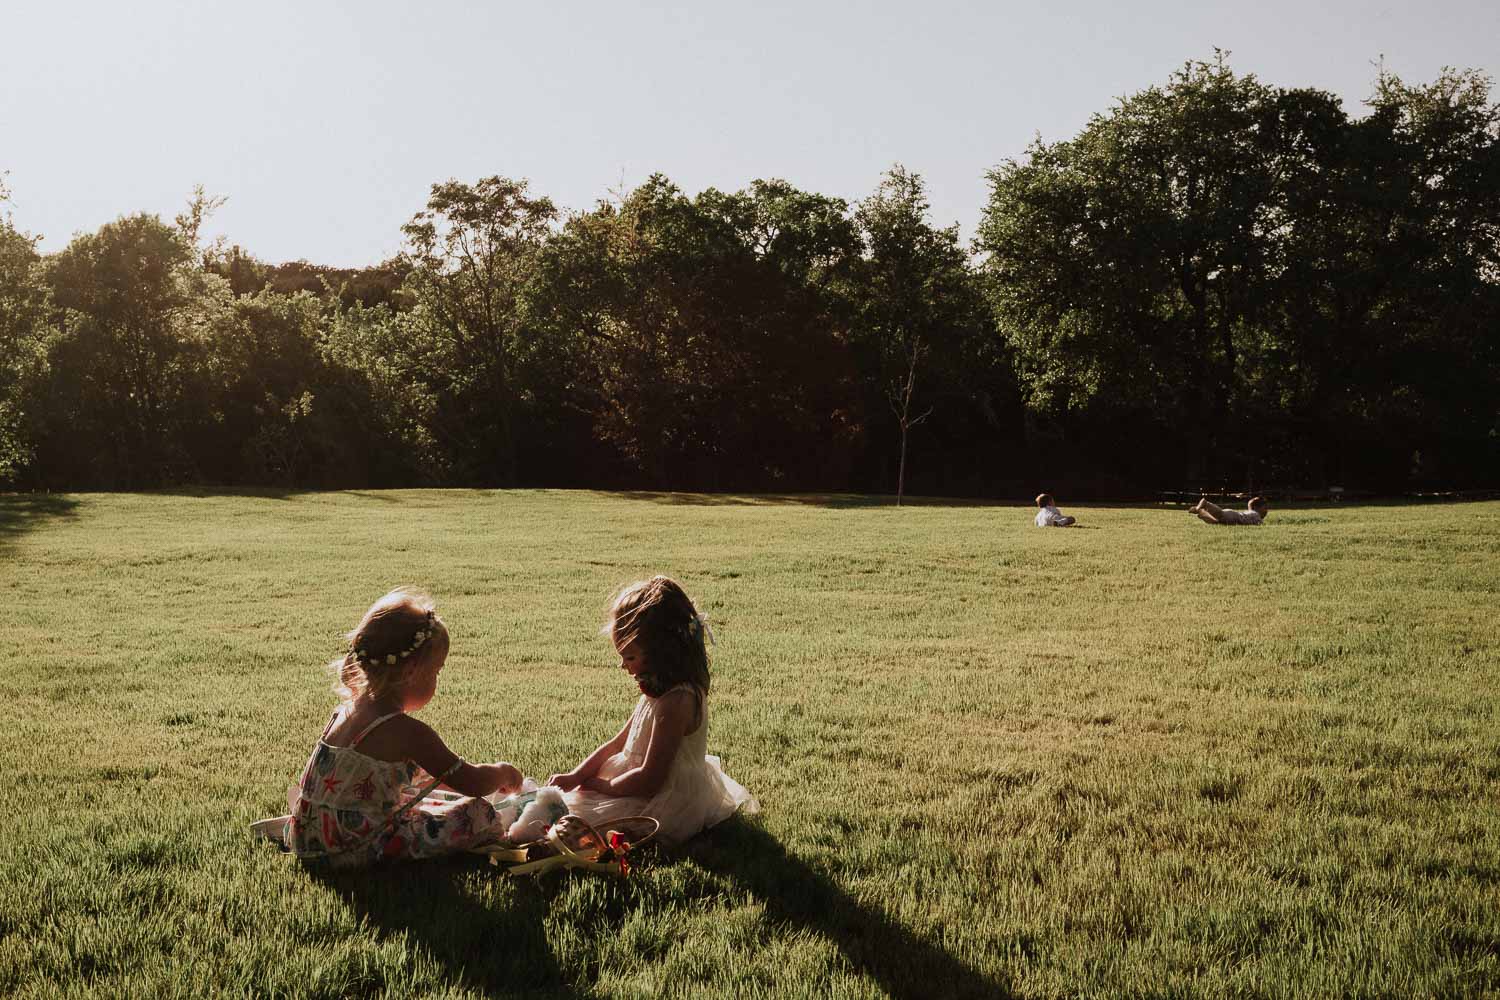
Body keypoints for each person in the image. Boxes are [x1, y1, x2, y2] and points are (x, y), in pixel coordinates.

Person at [253, 588, 522, 865]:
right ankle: (507, 831)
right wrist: (503, 773)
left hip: (310, 838)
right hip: (360, 847)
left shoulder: (345, 712)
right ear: (411, 671)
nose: (437, 681)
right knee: (479, 812)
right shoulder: (409, 733)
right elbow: (471, 782)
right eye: (436, 671)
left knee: (422, 800)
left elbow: (431, 778)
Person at [548, 577, 758, 844]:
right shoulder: (657, 688)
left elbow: (650, 780)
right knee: (567, 805)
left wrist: (601, 787)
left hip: (659, 798)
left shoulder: (676, 702)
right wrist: (577, 775)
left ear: (662, 652)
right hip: (630, 782)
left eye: (630, 657)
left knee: (574, 823)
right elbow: (617, 744)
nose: (623, 666)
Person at [1188, 495, 1268, 526]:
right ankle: (1203, 504)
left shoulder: (1251, 513)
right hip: (1234, 516)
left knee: (1217, 521)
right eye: (1265, 508)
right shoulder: (1256, 515)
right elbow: (1261, 524)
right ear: (1257, 508)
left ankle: (1202, 513)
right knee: (1220, 514)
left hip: (1233, 515)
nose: (1266, 511)